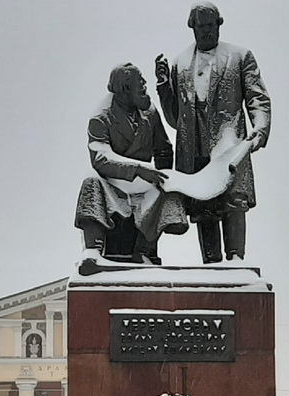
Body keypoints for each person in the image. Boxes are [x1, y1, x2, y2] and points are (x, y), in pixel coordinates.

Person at [156, 1, 271, 263]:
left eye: (212, 25)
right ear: (192, 27)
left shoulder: (240, 56)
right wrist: (163, 86)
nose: (207, 30)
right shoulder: (180, 63)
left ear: (219, 24)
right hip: (194, 149)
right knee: (202, 207)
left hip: (229, 144)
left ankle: (236, 259)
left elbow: (257, 97)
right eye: (202, 26)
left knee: (233, 202)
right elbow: (176, 120)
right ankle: (212, 265)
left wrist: (260, 127)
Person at [75, 63, 187, 265]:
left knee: (167, 186)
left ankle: (144, 251)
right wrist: (137, 169)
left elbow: (163, 150)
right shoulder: (101, 117)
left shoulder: (149, 112)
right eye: (140, 82)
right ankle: (93, 251)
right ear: (125, 88)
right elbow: (100, 158)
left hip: (144, 184)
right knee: (90, 183)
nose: (145, 85)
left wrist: (164, 176)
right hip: (113, 182)